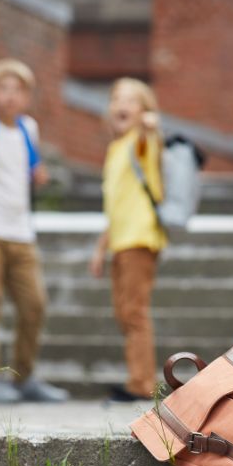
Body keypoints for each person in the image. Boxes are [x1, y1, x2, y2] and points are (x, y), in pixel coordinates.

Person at [0, 59, 68, 403]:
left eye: (17, 90)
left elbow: (29, 166)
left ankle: (25, 376)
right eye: (3, 88)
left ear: (26, 97)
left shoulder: (29, 128)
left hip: (22, 232)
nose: (10, 96)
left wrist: (38, 174)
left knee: (34, 304)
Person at [90, 78, 166, 402]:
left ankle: (141, 383)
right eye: (116, 99)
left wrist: (150, 126)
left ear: (143, 110)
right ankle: (138, 377)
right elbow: (115, 204)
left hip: (139, 237)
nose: (122, 105)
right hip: (120, 240)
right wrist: (100, 248)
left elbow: (152, 137)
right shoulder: (115, 148)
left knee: (134, 312)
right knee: (124, 312)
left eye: (131, 101)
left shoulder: (140, 142)